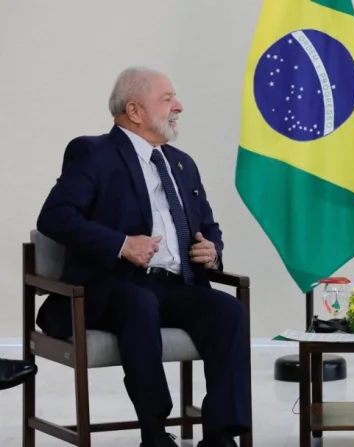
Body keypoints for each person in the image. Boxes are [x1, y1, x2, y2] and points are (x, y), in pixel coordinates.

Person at [35, 66, 250, 447]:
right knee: (139, 302)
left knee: (228, 311)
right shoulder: (94, 152)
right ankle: (153, 431)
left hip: (172, 284)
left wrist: (211, 251)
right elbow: (55, 217)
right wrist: (121, 244)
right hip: (108, 287)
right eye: (167, 99)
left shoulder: (181, 162)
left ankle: (220, 434)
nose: (178, 106)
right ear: (134, 111)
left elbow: (209, 226)